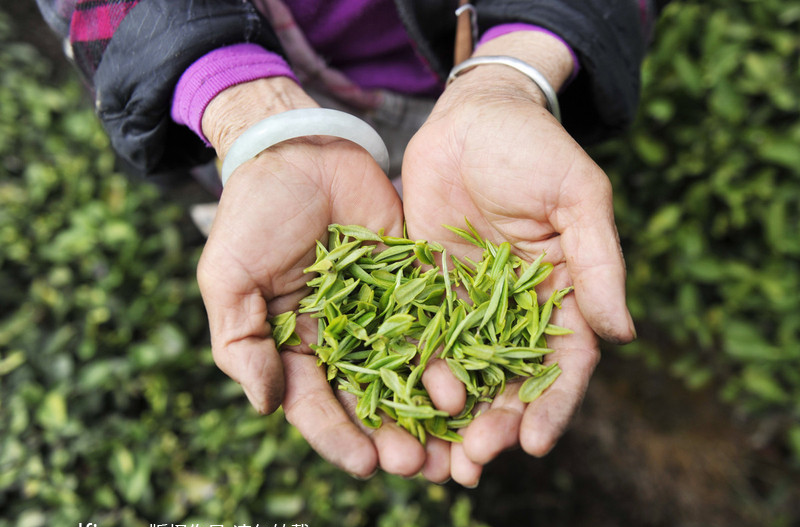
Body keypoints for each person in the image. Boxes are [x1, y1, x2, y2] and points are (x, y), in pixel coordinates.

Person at [37, 0, 668, 487]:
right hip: (227, 102)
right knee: (246, 205)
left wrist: (515, 68)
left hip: (467, 63)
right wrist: (244, 111)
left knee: (497, 206)